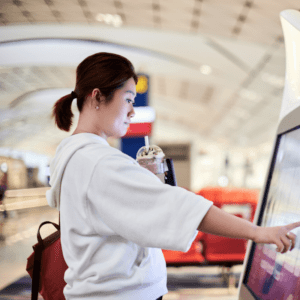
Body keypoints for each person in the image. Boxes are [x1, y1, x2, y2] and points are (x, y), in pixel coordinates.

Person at [46, 52, 300, 300]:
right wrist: (257, 233)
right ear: (98, 97)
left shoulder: (75, 157)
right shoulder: (99, 162)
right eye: (129, 99)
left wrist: (139, 181)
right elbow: (182, 207)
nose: (133, 111)